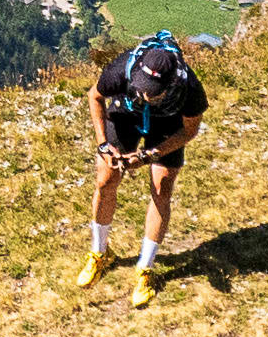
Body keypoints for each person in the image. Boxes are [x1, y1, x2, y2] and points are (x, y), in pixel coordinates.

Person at [81, 27, 207, 296]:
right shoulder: (122, 69)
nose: (146, 96)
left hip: (167, 124)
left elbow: (189, 130)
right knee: (105, 180)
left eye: (154, 93)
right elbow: (95, 96)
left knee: (161, 187)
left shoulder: (190, 89)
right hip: (124, 115)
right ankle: (99, 252)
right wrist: (103, 144)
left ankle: (145, 268)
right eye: (142, 89)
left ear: (170, 83)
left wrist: (152, 155)